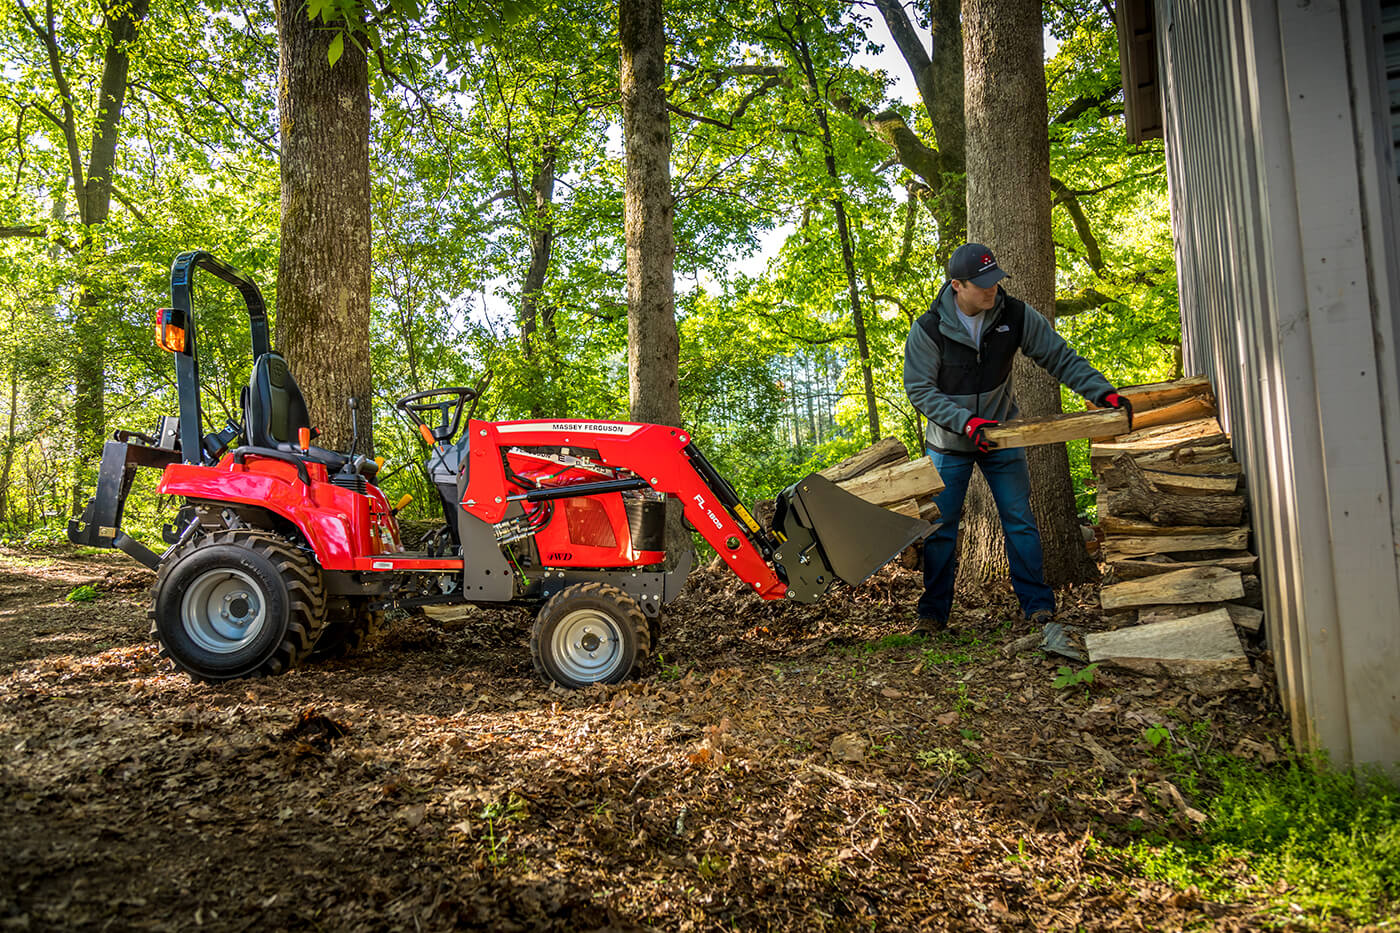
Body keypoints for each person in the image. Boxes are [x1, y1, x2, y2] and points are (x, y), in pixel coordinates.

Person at [902, 242, 1131, 651]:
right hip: (949, 444)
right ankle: (932, 615)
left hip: (1003, 435)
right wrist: (965, 422)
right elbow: (920, 390)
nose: (992, 291)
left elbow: (1061, 357)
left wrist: (1103, 394)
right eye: (982, 285)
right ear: (957, 285)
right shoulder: (929, 328)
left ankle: (1039, 608)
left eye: (995, 281)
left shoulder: (1015, 314)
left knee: (1020, 521)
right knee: (941, 530)